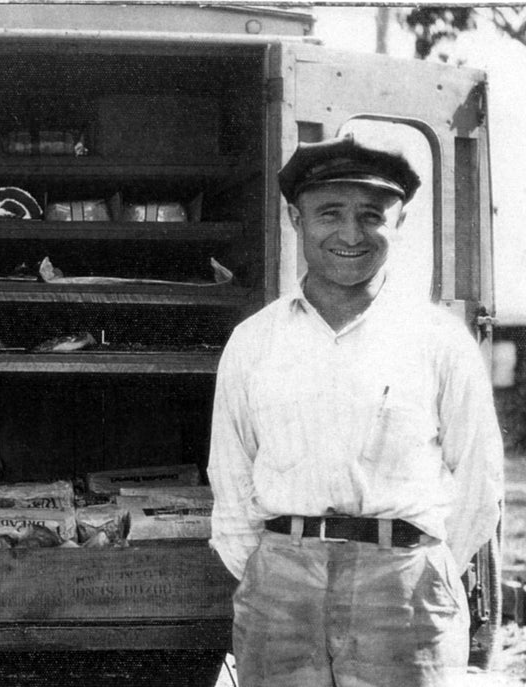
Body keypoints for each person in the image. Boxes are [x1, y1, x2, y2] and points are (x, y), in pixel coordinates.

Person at [208, 133, 504, 686]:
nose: (350, 234)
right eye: (329, 213)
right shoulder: (254, 341)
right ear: (297, 220)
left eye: (371, 215)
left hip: (405, 591)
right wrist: (267, 569)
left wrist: (426, 571)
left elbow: (480, 481)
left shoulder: (438, 339)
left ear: (400, 223)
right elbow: (230, 477)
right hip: (280, 589)